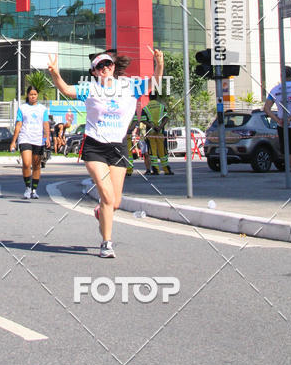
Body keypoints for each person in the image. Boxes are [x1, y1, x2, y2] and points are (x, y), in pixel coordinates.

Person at [48, 48, 163, 258]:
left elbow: (154, 83)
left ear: (113, 67)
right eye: (99, 66)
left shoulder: (129, 86)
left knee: (115, 203)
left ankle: (101, 213)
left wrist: (159, 64)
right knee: (108, 197)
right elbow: (65, 89)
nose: (104, 68)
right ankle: (106, 243)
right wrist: (55, 73)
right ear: (93, 71)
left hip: (118, 148)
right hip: (94, 147)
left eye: (108, 64)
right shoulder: (89, 89)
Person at [9, 85, 50, 199]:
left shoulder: (42, 109)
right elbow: (19, 124)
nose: (33, 96)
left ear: (37, 95)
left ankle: (34, 190)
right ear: (28, 95)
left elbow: (46, 124)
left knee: (36, 165)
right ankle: (27, 188)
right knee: (27, 163)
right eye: (31, 94)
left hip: (38, 139)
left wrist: (47, 137)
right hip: (25, 138)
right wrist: (14, 141)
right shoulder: (23, 108)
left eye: (35, 94)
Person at [141, 88, 173, 175]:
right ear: (156, 97)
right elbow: (166, 118)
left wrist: (152, 126)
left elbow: (143, 120)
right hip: (160, 133)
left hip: (151, 133)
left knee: (153, 152)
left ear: (149, 98)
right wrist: (160, 127)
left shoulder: (146, 108)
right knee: (163, 151)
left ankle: (155, 170)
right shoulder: (162, 107)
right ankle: (167, 170)